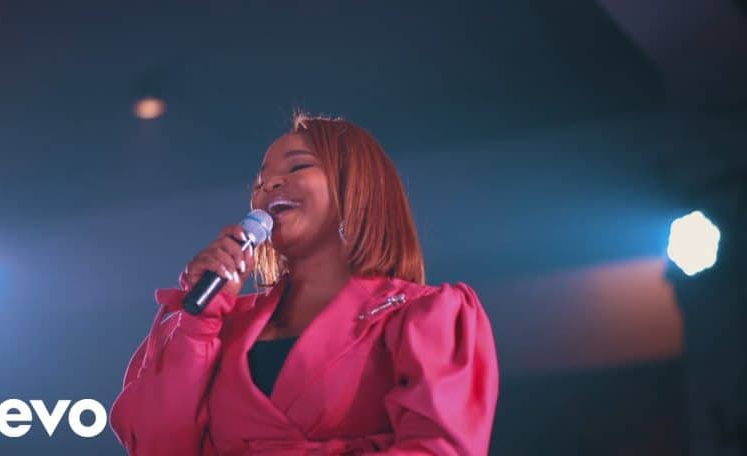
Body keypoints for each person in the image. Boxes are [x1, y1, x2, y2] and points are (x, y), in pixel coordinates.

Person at [109, 113, 499, 455]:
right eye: (260, 180)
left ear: (357, 186)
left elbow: (439, 447)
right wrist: (199, 325)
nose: (268, 185)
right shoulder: (220, 327)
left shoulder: (423, 315)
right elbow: (157, 446)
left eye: (297, 167)